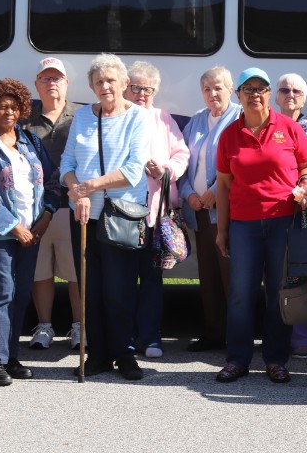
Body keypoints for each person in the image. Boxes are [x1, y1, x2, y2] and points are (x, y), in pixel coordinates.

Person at [214, 67, 307, 384]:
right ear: (238, 95)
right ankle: (237, 359)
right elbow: (223, 186)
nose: (255, 94)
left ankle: (275, 360)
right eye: (248, 89)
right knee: (241, 293)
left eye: (261, 88)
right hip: (244, 224)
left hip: (283, 221)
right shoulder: (230, 135)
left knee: (278, 293)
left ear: (269, 93)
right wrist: (222, 229)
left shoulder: (289, 128)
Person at [62, 53, 150, 380]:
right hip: (85, 218)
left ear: (124, 84)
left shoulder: (138, 117)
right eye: (99, 81)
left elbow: (132, 170)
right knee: (91, 289)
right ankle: (98, 354)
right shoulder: (83, 116)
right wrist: (76, 190)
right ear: (91, 86)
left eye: (111, 80)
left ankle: (125, 354)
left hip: (121, 217)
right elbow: (66, 165)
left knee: (120, 290)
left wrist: (87, 188)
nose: (105, 86)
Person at [0, 78, 59, 386]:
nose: (9, 111)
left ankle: (10, 356)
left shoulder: (30, 142)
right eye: (2, 106)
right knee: (1, 294)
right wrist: (15, 227)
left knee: (21, 295)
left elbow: (52, 180)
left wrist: (46, 215)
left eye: (14, 106)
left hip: (33, 232)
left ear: (22, 109)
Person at [178, 65, 241, 353]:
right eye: (207, 89)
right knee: (209, 274)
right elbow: (183, 162)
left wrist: (216, 192)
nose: (212, 93)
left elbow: (242, 161)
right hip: (201, 211)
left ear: (231, 89)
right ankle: (213, 332)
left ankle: (237, 337)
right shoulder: (196, 121)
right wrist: (189, 194)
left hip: (229, 210)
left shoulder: (240, 117)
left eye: (218, 87)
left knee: (232, 274)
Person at [128, 61, 189, 359]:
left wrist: (165, 170)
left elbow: (182, 153)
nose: (141, 94)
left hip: (154, 214)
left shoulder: (162, 118)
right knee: (123, 279)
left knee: (152, 279)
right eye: (136, 87)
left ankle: (151, 338)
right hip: (123, 214)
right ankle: (125, 339)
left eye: (147, 89)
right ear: (126, 88)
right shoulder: (118, 116)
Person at [23, 56, 82, 351]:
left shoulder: (82, 115)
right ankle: (44, 326)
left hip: (72, 206)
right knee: (41, 271)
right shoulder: (25, 120)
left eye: (56, 78)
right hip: (38, 210)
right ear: (37, 84)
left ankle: (78, 327)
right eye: (45, 79)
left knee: (75, 272)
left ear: (66, 84)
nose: (51, 84)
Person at [274, 72, 307, 359]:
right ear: (276, 96)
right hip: (272, 213)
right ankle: (277, 335)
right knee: (275, 275)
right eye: (284, 90)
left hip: (302, 214)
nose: (290, 95)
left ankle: (303, 338)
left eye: (296, 91)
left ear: (304, 98)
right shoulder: (268, 124)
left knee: (302, 276)